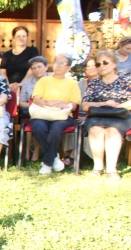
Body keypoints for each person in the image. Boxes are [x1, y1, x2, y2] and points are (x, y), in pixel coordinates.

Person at [82, 50, 131, 180]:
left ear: (114, 64)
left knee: (113, 131)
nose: (101, 66)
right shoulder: (94, 83)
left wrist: (119, 106)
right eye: (98, 64)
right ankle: (97, 167)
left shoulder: (126, 81)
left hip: (120, 115)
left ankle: (111, 169)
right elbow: (85, 104)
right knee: (95, 129)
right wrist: (105, 103)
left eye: (105, 62)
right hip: (98, 114)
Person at [29, 53, 81, 174]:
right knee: (38, 128)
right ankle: (55, 158)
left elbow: (73, 105)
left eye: (62, 63)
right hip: (42, 113)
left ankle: (47, 164)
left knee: (56, 129)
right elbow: (36, 99)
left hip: (62, 115)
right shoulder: (44, 80)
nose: (58, 65)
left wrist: (60, 104)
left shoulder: (72, 84)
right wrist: (49, 103)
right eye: (57, 62)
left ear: (68, 68)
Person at [17, 56, 49, 161]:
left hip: (49, 111)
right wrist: (33, 105)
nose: (37, 70)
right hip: (31, 111)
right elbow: (21, 102)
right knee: (30, 118)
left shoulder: (52, 81)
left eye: (39, 67)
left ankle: (36, 149)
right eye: (34, 68)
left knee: (39, 120)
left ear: (46, 67)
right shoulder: (27, 82)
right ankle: (26, 150)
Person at [0, 26, 40, 91]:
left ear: (27, 37)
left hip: (28, 85)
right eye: (18, 36)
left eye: (24, 36)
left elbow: (33, 68)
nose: (21, 38)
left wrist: (22, 83)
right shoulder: (7, 55)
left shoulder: (33, 51)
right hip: (10, 88)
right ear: (13, 38)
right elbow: (2, 72)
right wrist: (8, 85)